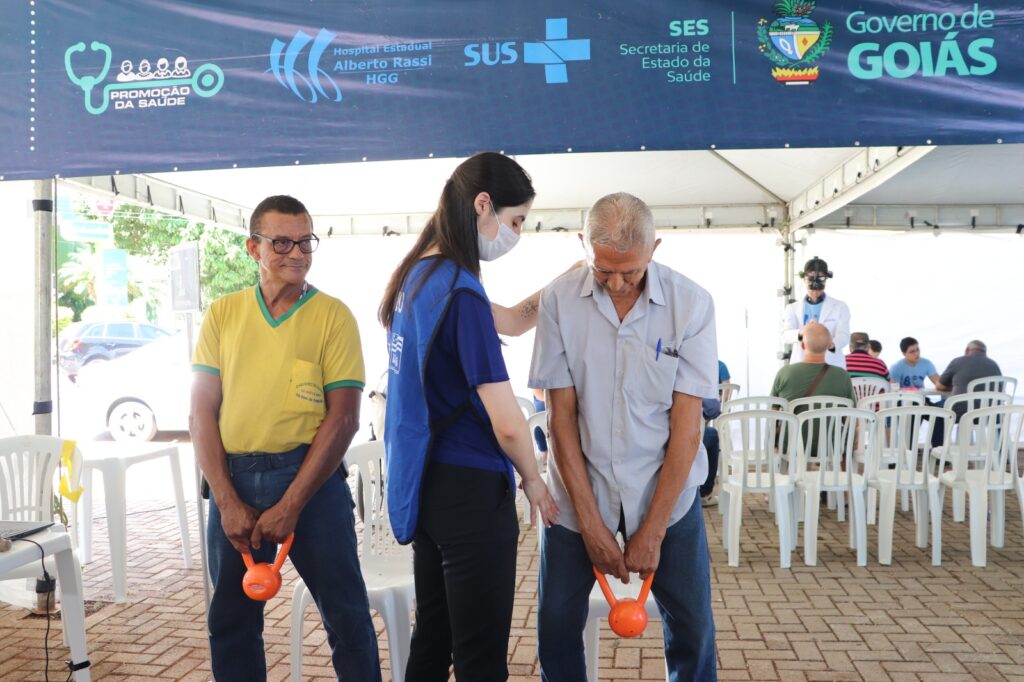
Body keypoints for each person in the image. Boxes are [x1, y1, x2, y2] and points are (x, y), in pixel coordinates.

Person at [379, 152, 558, 681]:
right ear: (484, 205)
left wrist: (565, 283)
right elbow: (506, 420)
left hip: (428, 484)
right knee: (480, 659)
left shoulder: (420, 277)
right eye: (516, 220)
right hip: (472, 493)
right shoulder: (460, 290)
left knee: (433, 639)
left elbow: (507, 319)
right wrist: (534, 480)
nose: (517, 233)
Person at [190, 195, 380, 681]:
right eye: (281, 242)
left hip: (311, 484)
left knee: (347, 617)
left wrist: (292, 503)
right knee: (229, 622)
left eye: (305, 242)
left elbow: (343, 421)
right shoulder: (223, 314)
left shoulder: (333, 317)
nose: (296, 253)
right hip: (233, 481)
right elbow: (201, 413)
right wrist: (227, 500)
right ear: (254, 248)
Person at [531, 192, 717, 680]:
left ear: (655, 249)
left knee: (694, 630)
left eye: (629, 272)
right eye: (602, 270)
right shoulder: (556, 301)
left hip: (665, 495)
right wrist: (590, 525)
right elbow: (560, 419)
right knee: (555, 625)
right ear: (582, 245)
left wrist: (653, 530)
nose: (615, 284)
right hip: (578, 491)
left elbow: (687, 428)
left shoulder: (691, 305)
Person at [781, 256, 851, 369]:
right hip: (801, 363)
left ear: (826, 280)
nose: (815, 289)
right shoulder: (792, 308)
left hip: (831, 364)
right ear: (804, 279)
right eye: (811, 278)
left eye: (820, 279)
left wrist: (830, 344)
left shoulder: (840, 307)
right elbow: (785, 335)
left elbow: (844, 335)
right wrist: (801, 332)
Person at [771, 322, 856, 407]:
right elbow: (854, 414)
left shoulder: (784, 373)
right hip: (833, 421)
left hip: (793, 420)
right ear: (829, 346)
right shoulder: (842, 376)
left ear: (803, 345)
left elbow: (773, 410)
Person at [935, 340, 1002, 417]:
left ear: (966, 350)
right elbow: (1000, 390)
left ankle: (947, 429)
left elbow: (939, 386)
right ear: (985, 353)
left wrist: (956, 387)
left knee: (937, 412)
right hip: (992, 413)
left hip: (962, 410)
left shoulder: (958, 361)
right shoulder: (994, 365)